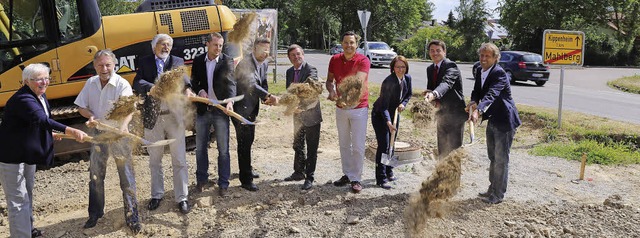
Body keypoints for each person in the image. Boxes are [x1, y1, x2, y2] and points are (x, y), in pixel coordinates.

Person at [0, 63, 86, 237]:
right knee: (18, 200)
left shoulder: (40, 95)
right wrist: (70, 130)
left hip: (27, 153)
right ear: (26, 82)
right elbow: (40, 119)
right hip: (11, 156)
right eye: (39, 79)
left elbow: (31, 123)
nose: (44, 82)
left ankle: (28, 229)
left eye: (46, 78)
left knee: (27, 194)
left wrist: (52, 134)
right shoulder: (23, 98)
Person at [75, 49, 141, 233]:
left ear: (114, 65)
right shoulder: (91, 83)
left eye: (108, 65)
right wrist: (91, 116)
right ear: (95, 66)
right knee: (96, 175)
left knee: (126, 177)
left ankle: (132, 216)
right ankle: (95, 213)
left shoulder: (122, 84)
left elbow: (129, 109)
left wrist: (124, 126)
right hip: (99, 133)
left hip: (118, 134)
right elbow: (82, 107)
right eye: (100, 65)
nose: (104, 69)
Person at [133, 33, 195, 214]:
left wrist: (189, 88)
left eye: (168, 44)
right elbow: (137, 81)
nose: (165, 47)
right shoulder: (145, 62)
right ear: (154, 47)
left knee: (179, 159)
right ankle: (157, 195)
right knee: (155, 159)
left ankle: (182, 197)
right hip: (153, 118)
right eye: (162, 44)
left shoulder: (176, 61)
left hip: (174, 117)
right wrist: (148, 88)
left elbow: (183, 78)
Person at [468, 42, 522, 204]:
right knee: (492, 156)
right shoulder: (479, 70)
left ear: (495, 58)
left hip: (505, 120)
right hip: (492, 118)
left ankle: (498, 194)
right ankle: (492, 188)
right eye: (481, 55)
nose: (483, 59)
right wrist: (472, 103)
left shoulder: (499, 74)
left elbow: (492, 94)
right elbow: (477, 91)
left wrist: (479, 110)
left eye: (487, 56)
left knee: (501, 159)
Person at [190, 32, 236, 197]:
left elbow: (231, 83)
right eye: (215, 45)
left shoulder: (226, 61)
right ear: (208, 44)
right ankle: (201, 181)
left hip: (221, 111)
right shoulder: (198, 60)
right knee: (200, 148)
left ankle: (223, 184)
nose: (218, 48)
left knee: (223, 149)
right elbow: (194, 81)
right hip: (203, 110)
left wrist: (230, 101)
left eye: (221, 46)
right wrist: (200, 91)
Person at [326, 31, 371, 193]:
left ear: (356, 45)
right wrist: (331, 91)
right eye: (346, 42)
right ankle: (347, 174)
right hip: (341, 108)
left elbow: (357, 83)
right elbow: (329, 81)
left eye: (352, 42)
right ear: (341, 44)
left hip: (359, 108)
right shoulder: (335, 59)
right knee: (344, 143)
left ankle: (356, 178)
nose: (348, 45)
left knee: (358, 145)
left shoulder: (363, 60)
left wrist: (343, 96)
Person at [232, 37, 278, 192]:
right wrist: (267, 96)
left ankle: (247, 169)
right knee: (244, 143)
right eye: (262, 50)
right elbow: (251, 84)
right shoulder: (245, 63)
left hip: (251, 109)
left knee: (249, 140)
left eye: (267, 50)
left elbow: (262, 81)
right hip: (240, 108)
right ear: (254, 49)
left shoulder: (263, 63)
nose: (265, 53)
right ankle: (246, 179)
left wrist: (266, 96)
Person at [284, 44, 321, 190]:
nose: (296, 57)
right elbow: (289, 92)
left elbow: (310, 91)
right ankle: (298, 172)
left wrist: (299, 105)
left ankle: (310, 177)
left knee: (312, 147)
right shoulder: (288, 72)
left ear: (303, 54)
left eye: (298, 54)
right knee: (298, 144)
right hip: (297, 114)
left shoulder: (311, 70)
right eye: (293, 55)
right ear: (289, 58)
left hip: (311, 113)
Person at [371, 56, 412, 189]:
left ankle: (389, 170)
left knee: (392, 144)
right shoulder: (388, 82)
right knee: (384, 145)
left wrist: (403, 104)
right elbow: (383, 106)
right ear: (393, 68)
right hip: (380, 115)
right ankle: (380, 177)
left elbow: (408, 94)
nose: (400, 70)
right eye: (398, 67)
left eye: (403, 67)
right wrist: (388, 122)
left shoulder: (407, 78)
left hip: (394, 114)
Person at [424, 40, 467, 159]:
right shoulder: (430, 69)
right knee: (442, 148)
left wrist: (434, 94)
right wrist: (429, 94)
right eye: (432, 51)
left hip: (456, 114)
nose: (435, 53)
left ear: (444, 52)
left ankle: (454, 177)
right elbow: (432, 88)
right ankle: (441, 175)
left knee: (454, 150)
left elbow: (446, 83)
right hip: (442, 114)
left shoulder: (451, 66)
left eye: (438, 50)